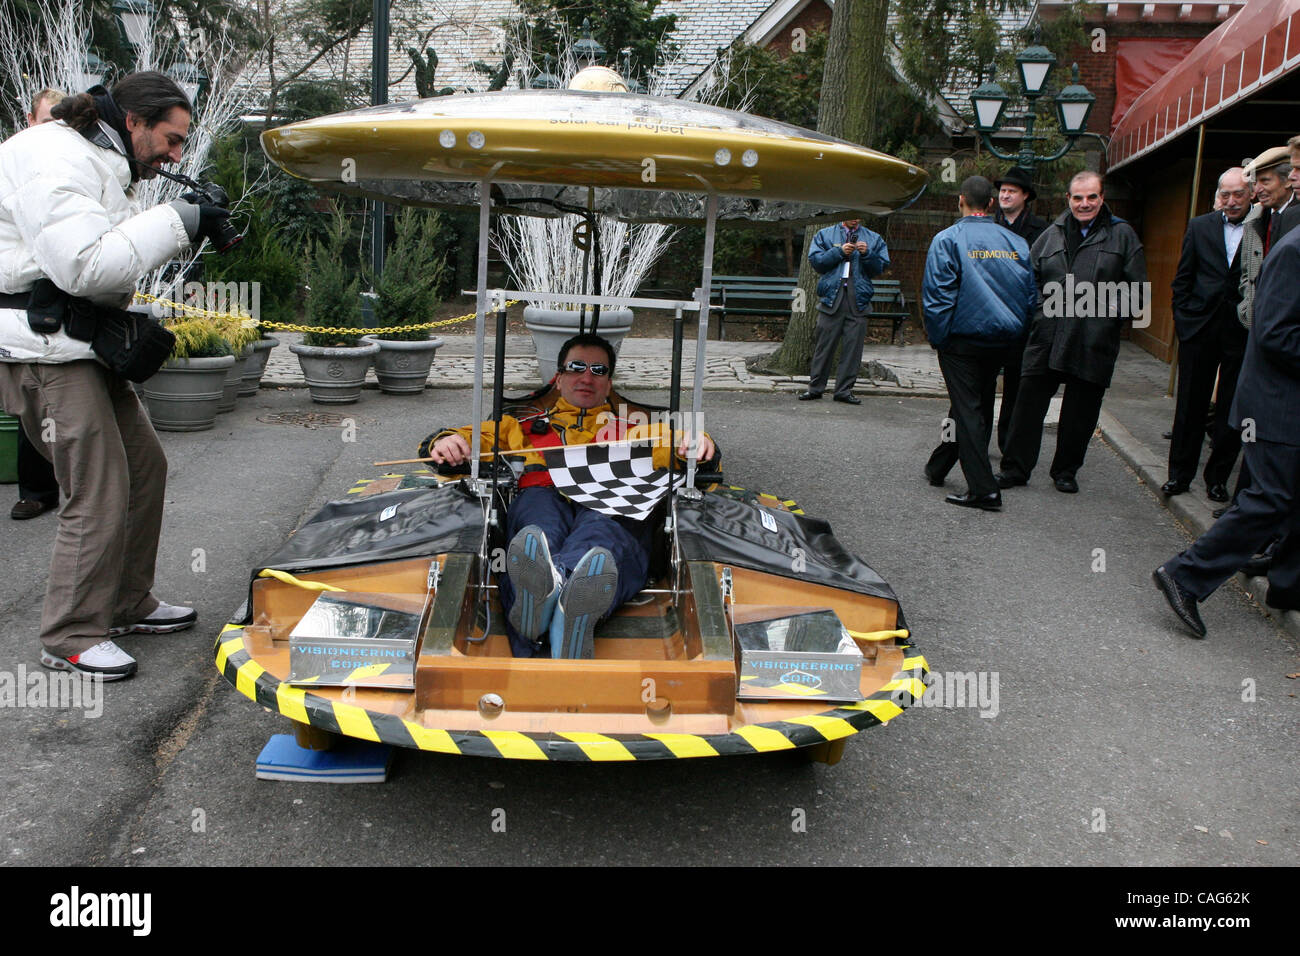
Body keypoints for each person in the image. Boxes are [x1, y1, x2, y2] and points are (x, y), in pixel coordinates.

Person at [0, 72, 234, 681]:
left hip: (78, 344)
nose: (177, 153)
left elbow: (98, 264)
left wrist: (178, 220)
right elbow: (85, 266)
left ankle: (126, 603)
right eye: (172, 138)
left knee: (144, 465)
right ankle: (71, 634)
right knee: (97, 487)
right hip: (44, 351)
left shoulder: (98, 158)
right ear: (133, 120)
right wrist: (179, 221)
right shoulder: (51, 155)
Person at [425, 333, 716, 659]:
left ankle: (555, 593)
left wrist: (696, 441)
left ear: (608, 385)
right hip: (542, 496)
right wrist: (448, 442)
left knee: (602, 530)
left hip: (607, 500)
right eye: (577, 367)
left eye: (599, 370)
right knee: (539, 528)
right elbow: (467, 440)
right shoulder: (517, 426)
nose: (587, 377)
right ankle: (566, 608)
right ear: (559, 379)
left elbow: (671, 441)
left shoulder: (633, 430)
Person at [1153, 223, 1300, 635]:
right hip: (1277, 406)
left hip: (1285, 404)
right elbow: (1275, 333)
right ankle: (1185, 575)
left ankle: (1288, 588)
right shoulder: (1294, 251)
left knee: (1288, 499)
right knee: (1269, 499)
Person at [996, 171, 1147, 494]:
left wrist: (1102, 313)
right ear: (1068, 199)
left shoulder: (1123, 236)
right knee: (1027, 406)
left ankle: (1065, 471)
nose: (1085, 204)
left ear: (1103, 198)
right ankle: (1014, 469)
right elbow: (1028, 282)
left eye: (1092, 197)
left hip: (1093, 339)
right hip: (1047, 334)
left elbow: (1137, 294)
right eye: (1078, 198)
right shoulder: (1052, 234)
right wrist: (1040, 309)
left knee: (1081, 412)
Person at [920, 176, 1035, 511]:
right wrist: (1017, 333)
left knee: (970, 408)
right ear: (991, 204)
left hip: (961, 339)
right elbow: (1029, 297)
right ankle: (939, 465)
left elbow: (938, 296)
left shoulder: (948, 239)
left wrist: (939, 338)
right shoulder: (1015, 242)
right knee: (973, 403)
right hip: (1002, 338)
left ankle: (983, 488)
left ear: (961, 201)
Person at [1161, 168, 1250, 503]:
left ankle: (1217, 478)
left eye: (1238, 194)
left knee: (1231, 408)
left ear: (1251, 193)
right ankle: (1179, 476)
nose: (1230, 201)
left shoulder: (1261, 228)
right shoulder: (1200, 226)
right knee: (1189, 406)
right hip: (1199, 328)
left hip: (1240, 330)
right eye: (1224, 194)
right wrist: (1184, 322)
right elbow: (1183, 278)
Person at [8, 87, 65, 520]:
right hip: (12, 292)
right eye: (48, 121)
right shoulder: (13, 164)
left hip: (46, 298)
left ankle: (39, 489)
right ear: (31, 120)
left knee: (41, 401)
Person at [797, 217, 890, 405]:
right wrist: (838, 252)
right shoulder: (825, 234)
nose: (854, 220)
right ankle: (815, 388)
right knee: (824, 346)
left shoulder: (873, 238)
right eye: (851, 215)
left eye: (858, 217)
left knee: (853, 349)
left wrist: (867, 254)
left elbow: (880, 267)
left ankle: (844, 390)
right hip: (832, 297)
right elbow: (816, 262)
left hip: (858, 299)